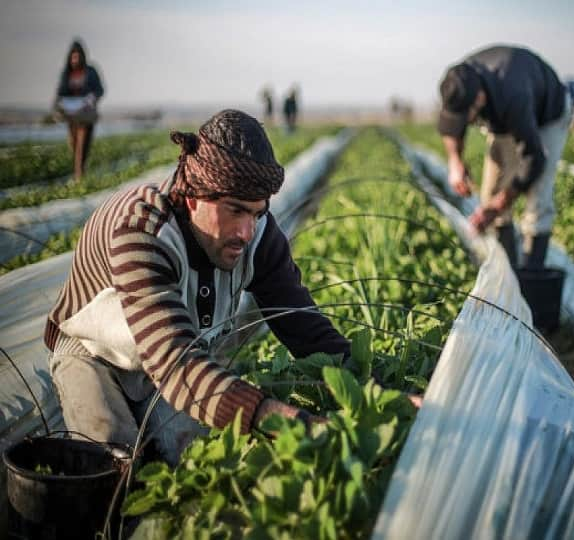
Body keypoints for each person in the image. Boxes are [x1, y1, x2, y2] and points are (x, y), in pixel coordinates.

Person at [44, 110, 351, 466]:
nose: (246, 232)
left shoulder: (258, 236)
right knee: (114, 460)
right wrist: (288, 421)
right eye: (235, 211)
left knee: (198, 454)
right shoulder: (143, 233)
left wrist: (374, 388)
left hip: (177, 351)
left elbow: (304, 327)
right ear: (193, 198)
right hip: (95, 352)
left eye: (256, 212)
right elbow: (177, 364)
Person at [437, 45, 573, 269]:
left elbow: (534, 158)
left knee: (538, 200)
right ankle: (507, 273)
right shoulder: (459, 81)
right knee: (489, 193)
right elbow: (451, 129)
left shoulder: (513, 95)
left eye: (466, 117)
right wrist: (455, 162)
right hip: (505, 117)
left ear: (479, 99)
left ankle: (530, 276)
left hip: (548, 114)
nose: (464, 123)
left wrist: (500, 203)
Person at [54, 39, 104, 180]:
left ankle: (79, 177)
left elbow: (100, 89)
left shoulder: (90, 71)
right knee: (74, 145)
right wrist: (59, 107)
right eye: (73, 57)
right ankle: (78, 175)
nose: (75, 60)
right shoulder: (67, 73)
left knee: (82, 147)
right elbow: (60, 93)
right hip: (72, 116)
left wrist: (91, 97)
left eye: (77, 57)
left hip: (86, 115)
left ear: (82, 56)